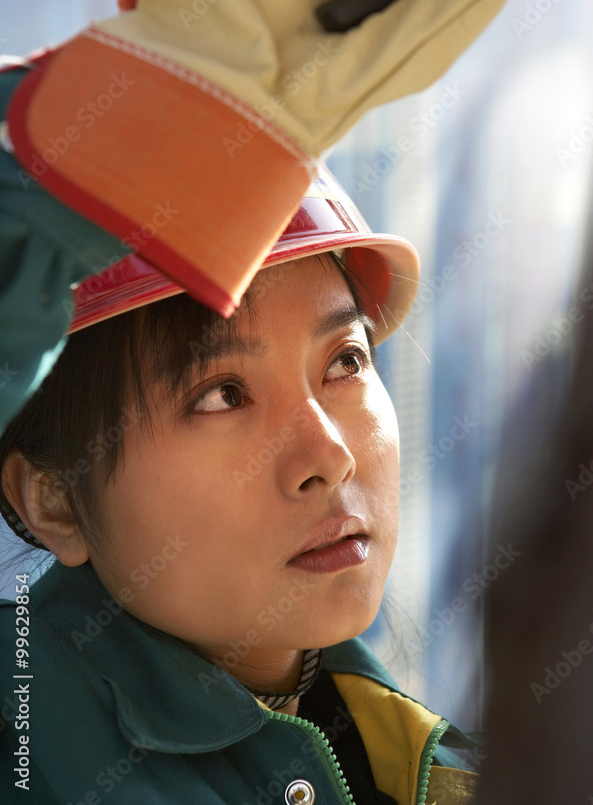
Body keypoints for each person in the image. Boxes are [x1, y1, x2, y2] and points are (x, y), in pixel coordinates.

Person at [0, 163, 479, 804]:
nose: (328, 457)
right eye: (224, 395)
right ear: (55, 499)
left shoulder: (436, 764)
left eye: (345, 360)